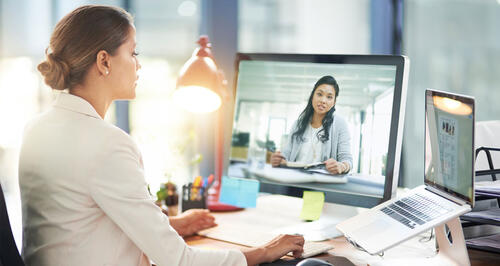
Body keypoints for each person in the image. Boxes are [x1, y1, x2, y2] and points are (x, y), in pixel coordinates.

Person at [18, 5, 303, 266]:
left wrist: (172, 225)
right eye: (133, 53)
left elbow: (77, 224)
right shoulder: (106, 144)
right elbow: (178, 260)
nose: (138, 65)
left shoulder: (36, 129)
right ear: (104, 61)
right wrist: (264, 251)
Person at [270, 75, 353, 175]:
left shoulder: (340, 124)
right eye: (319, 94)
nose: (323, 100)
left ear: (334, 102)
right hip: (294, 180)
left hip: (321, 184)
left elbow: (347, 160)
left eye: (329, 97)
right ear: (312, 96)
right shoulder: (298, 124)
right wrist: (278, 159)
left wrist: (341, 166)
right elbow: (286, 155)